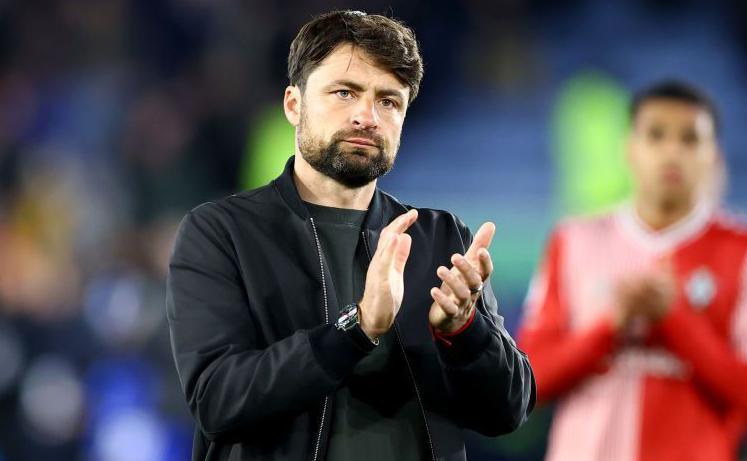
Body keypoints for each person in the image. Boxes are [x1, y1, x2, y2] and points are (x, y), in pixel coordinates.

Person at [166, 10, 534, 461]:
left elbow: (509, 412)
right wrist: (356, 329)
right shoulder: (222, 233)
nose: (367, 116)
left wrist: (465, 333)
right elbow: (217, 402)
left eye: (388, 101)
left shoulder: (441, 238)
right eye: (345, 93)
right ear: (293, 104)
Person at [517, 81, 747, 461]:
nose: (671, 152)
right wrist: (611, 325)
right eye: (656, 135)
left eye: (690, 139)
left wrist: (674, 320)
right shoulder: (574, 240)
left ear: (713, 155)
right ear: (629, 148)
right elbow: (528, 382)